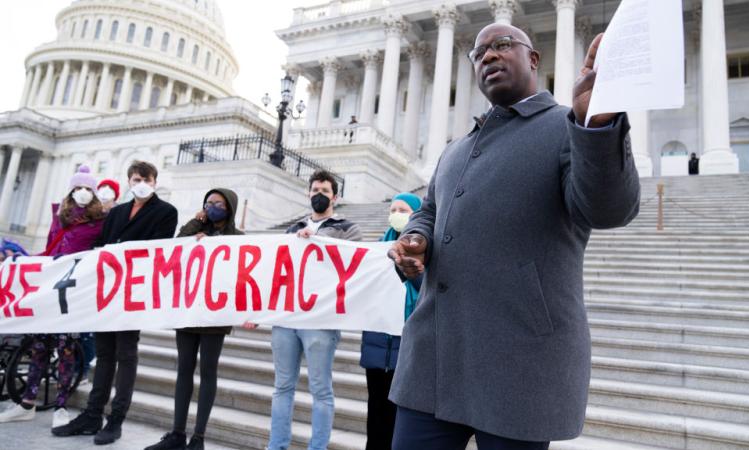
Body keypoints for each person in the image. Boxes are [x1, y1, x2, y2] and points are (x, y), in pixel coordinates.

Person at [388, 25, 640, 450]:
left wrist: (596, 126)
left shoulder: (567, 126)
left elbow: (608, 210)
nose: (488, 56)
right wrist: (415, 239)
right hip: (432, 360)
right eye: (479, 52)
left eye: (502, 45)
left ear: (534, 59)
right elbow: (430, 210)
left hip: (520, 366)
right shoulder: (455, 148)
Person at [53, 160, 178, 445]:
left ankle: (116, 419)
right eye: (136, 179)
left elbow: (156, 249)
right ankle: (92, 414)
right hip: (108, 291)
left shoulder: (166, 212)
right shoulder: (117, 212)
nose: (141, 183)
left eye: (146, 178)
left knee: (126, 354)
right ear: (129, 182)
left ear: (154, 181)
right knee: (104, 353)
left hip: (133, 292)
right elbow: (102, 244)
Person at [248, 169, 362, 450]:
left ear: (335, 196)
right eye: (315, 190)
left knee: (321, 390)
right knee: (282, 387)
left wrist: (320, 242)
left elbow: (356, 266)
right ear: (308, 194)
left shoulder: (349, 228)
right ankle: (276, 445)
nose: (319, 195)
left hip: (320, 320)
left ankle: (318, 447)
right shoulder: (291, 229)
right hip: (287, 317)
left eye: (324, 191)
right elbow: (274, 271)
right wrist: (261, 311)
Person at [0, 165, 106, 429]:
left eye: (87, 189)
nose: (82, 192)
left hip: (72, 294)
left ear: (94, 194)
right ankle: (27, 402)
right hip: (49, 291)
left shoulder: (99, 222)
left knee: (66, 351)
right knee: (38, 349)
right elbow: (49, 250)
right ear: (71, 191)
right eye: (78, 188)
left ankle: (61, 405)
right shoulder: (60, 217)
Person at [145, 188, 243, 450]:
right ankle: (177, 433)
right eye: (208, 202)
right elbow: (175, 248)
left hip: (215, 315)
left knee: (208, 371)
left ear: (229, 207)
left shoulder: (239, 238)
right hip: (188, 310)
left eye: (218, 203)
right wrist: (195, 224)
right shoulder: (197, 231)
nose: (211, 207)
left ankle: (198, 437)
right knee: (184, 370)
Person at [359, 192, 422, 450]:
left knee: (400, 421)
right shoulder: (375, 249)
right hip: (376, 347)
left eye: (403, 210)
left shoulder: (427, 253)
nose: (397, 214)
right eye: (393, 209)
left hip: (407, 347)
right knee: (375, 417)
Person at [80, 178, 119, 384]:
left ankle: (85, 369)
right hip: (87, 275)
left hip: (106, 277)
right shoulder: (91, 215)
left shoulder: (116, 215)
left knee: (90, 332)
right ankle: (79, 368)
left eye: (109, 190)